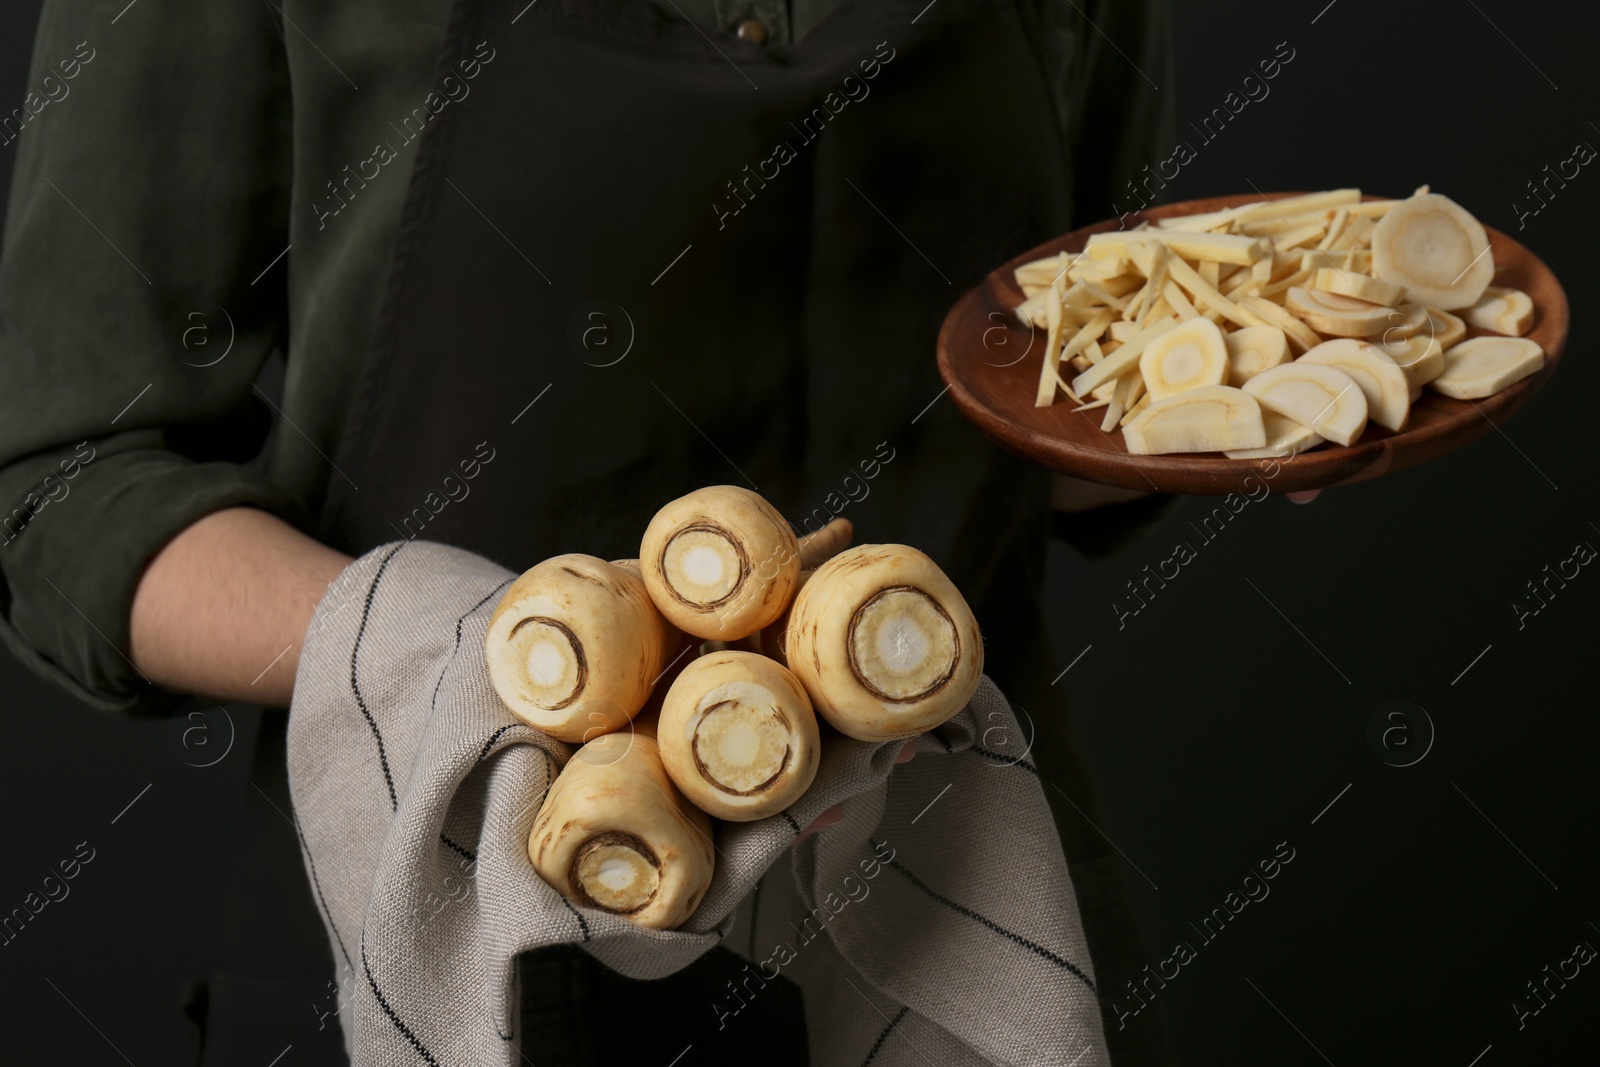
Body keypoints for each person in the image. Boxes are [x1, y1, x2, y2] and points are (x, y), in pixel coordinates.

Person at [0, 0, 1195, 1062]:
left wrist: (1268, 398)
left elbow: (1066, 391)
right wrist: (469, 654)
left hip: (962, 924)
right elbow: (60, 481)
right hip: (441, 940)